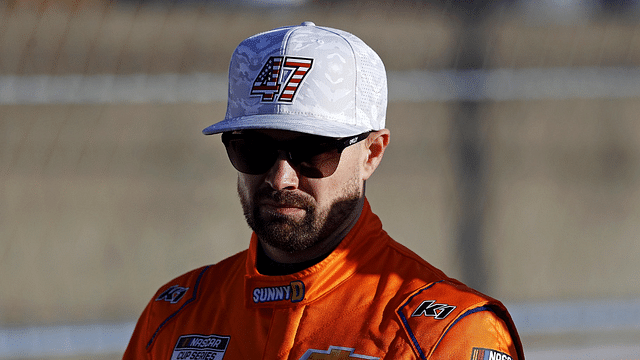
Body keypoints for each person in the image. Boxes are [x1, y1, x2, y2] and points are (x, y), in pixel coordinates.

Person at [123, 21, 524, 360]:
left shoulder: (448, 336)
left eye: (313, 151)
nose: (281, 179)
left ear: (372, 153)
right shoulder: (173, 317)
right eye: (254, 148)